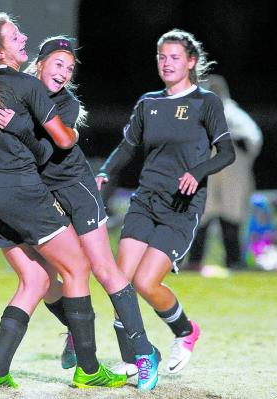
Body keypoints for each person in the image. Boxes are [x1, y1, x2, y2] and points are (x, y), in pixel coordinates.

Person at [0, 35, 160, 390]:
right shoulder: (17, 92)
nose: (64, 72)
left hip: (75, 191)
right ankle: (77, 332)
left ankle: (144, 354)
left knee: (102, 269)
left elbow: (49, 150)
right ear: (38, 64)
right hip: (40, 196)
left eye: (70, 68)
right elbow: (3, 145)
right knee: (44, 281)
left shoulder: (64, 104)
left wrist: (18, 127)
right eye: (58, 64)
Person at [96, 29, 235, 375]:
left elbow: (227, 152)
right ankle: (135, 359)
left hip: (181, 207)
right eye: (162, 57)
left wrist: (197, 171)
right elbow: (128, 146)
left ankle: (186, 332)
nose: (167, 63)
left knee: (145, 282)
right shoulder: (149, 103)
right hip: (145, 200)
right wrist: (104, 172)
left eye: (175, 57)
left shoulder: (206, 102)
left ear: (191, 62)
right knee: (119, 282)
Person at [186, 74, 263, 270]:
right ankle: (195, 261)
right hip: (207, 173)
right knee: (201, 215)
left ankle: (234, 261)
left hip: (232, 173)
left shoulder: (235, 115)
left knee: (232, 216)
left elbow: (252, 139)